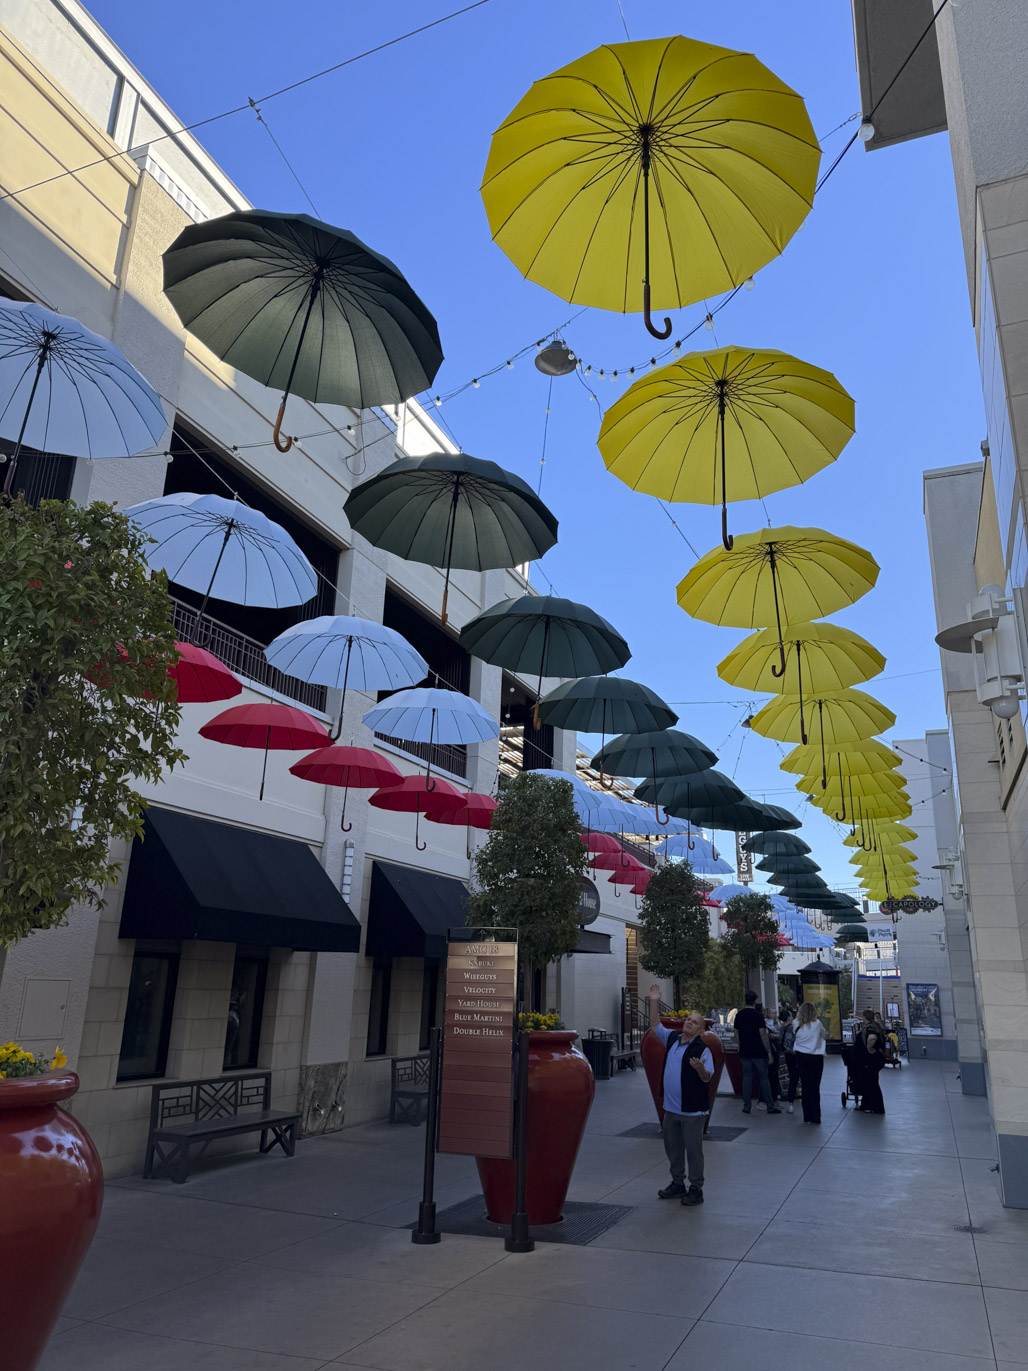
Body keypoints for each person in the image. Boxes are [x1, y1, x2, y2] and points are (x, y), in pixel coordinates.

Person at [648, 986, 714, 1206]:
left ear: (700, 1030)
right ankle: (678, 1183)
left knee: (694, 1151)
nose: (689, 1023)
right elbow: (654, 1025)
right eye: (688, 1020)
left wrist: (699, 1070)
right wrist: (654, 1001)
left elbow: (707, 1078)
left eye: (694, 1022)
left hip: (693, 1111)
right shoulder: (673, 1038)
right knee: (673, 1148)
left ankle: (696, 1188)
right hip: (671, 1109)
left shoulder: (703, 1049)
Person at [734, 990, 781, 1115]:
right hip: (759, 1051)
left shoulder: (739, 1015)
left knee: (747, 1078)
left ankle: (746, 1106)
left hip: (745, 1051)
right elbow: (763, 1035)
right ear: (754, 1001)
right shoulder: (758, 1015)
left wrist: (741, 1045)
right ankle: (770, 1106)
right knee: (763, 1078)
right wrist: (769, 1052)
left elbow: (736, 1033)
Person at [793, 1002, 827, 1123]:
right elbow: (824, 1034)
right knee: (815, 1087)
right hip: (816, 1057)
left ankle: (807, 1116)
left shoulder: (795, 1023)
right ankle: (816, 1116)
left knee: (805, 1086)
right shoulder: (817, 1024)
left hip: (801, 1056)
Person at [850, 1012, 887, 1114]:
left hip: (870, 1059)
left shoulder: (870, 1028)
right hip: (875, 1060)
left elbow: (872, 1037)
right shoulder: (875, 1026)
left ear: (864, 1017)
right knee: (871, 1082)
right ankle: (867, 1104)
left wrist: (869, 1047)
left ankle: (875, 1107)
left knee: (871, 1083)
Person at [780, 1008, 800, 1113]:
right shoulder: (792, 1028)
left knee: (792, 1078)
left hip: (787, 1055)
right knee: (799, 1077)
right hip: (795, 1055)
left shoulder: (781, 1028)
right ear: (788, 1017)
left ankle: (790, 1103)